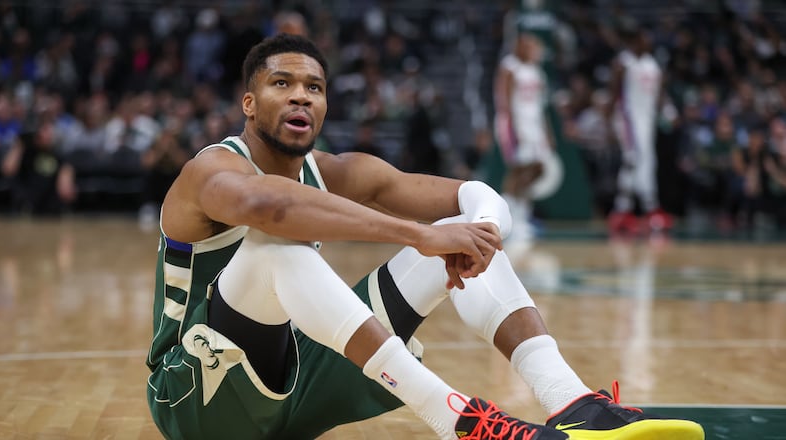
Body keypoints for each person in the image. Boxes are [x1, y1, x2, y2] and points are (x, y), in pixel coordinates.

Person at [145, 34, 705, 440]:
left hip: (294, 388)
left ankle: (573, 403)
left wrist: (480, 233)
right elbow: (268, 207)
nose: (301, 97)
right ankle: (460, 422)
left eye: (314, 87)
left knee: (458, 236)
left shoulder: (333, 169)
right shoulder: (211, 169)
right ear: (248, 104)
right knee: (275, 246)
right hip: (196, 401)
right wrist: (415, 235)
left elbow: (475, 195)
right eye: (281, 84)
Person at [606, 26, 672, 235]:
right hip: (629, 118)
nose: (648, 43)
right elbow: (613, 92)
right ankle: (623, 210)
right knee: (633, 159)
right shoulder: (624, 62)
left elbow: (659, 94)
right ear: (634, 41)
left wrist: (669, 112)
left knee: (648, 162)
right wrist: (608, 121)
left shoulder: (653, 65)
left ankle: (646, 208)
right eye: (644, 39)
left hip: (647, 119)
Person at [493, 32, 557, 241]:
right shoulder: (510, 67)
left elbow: (541, 105)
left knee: (538, 168)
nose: (536, 52)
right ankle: (508, 216)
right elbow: (504, 100)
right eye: (532, 47)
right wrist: (513, 129)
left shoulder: (537, 71)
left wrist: (547, 132)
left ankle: (520, 213)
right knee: (518, 170)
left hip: (534, 125)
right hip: (516, 124)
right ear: (520, 47)